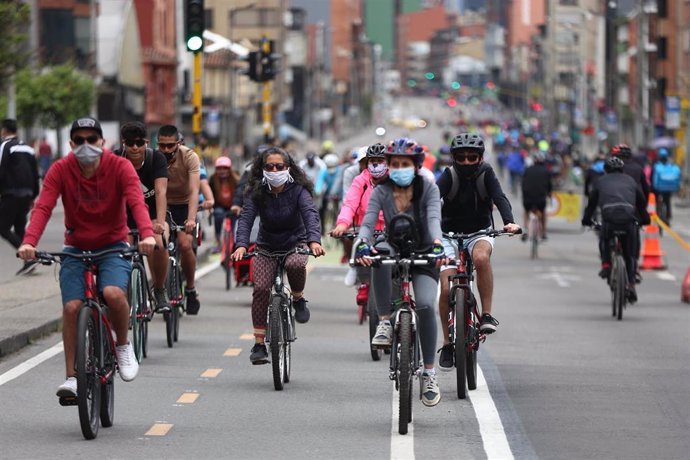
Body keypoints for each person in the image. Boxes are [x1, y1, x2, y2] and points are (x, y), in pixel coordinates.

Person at [16, 116, 156, 397]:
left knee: (114, 294)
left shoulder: (120, 166)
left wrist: (148, 234)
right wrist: (29, 243)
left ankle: (123, 346)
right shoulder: (60, 169)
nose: (85, 145)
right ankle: (72, 377)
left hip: (113, 247)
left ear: (102, 142)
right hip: (76, 248)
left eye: (91, 139)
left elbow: (136, 201)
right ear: (70, 144)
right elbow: (43, 207)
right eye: (79, 141)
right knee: (71, 308)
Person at [356, 137, 449, 407]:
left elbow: (433, 219)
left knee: (425, 305)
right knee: (378, 255)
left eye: (404, 164)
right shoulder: (381, 191)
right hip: (392, 247)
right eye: (394, 163)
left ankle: (429, 374)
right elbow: (369, 221)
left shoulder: (429, 189)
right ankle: (384, 320)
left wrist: (437, 243)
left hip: (423, 251)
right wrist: (363, 242)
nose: (398, 168)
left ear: (416, 165)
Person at [231, 146, 325, 365]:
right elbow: (246, 218)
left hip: (295, 241)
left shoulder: (298, 190)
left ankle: (299, 299)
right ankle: (258, 343)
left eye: (279, 166)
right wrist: (241, 245)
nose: (274, 170)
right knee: (262, 288)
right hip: (266, 245)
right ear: (262, 169)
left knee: (294, 265)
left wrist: (314, 241)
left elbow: (310, 214)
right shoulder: (257, 190)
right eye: (269, 167)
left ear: (288, 168)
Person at [435, 133, 521, 371]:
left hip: (480, 232)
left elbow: (499, 197)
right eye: (460, 158)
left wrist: (509, 221)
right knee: (445, 288)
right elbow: (431, 200)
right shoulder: (448, 175)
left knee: (481, 258)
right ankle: (448, 343)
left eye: (472, 157)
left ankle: (486, 315)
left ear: (480, 157)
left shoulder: (487, 173)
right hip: (448, 235)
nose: (466, 162)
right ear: (453, 158)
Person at [116, 121, 170, 311]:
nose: (135, 148)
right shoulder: (116, 158)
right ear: (124, 144)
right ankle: (123, 294)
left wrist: (161, 223)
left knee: (159, 243)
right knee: (120, 249)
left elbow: (161, 192)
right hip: (124, 215)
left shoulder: (157, 159)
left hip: (153, 214)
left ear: (146, 142)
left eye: (139, 143)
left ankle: (160, 289)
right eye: (130, 143)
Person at [581, 156, 650, 303]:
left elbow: (591, 204)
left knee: (604, 239)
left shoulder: (600, 182)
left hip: (609, 219)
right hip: (628, 220)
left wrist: (586, 220)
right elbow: (642, 202)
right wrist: (645, 220)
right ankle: (631, 284)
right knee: (630, 254)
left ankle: (606, 265)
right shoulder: (631, 181)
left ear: (606, 170)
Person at [157, 125, 202, 314]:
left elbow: (194, 191)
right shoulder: (154, 158)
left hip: (185, 205)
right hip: (163, 205)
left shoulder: (190, 157)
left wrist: (191, 219)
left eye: (170, 146)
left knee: (185, 244)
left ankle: (190, 288)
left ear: (178, 143)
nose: (166, 150)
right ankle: (160, 287)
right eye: (162, 146)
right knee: (161, 242)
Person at [331, 143, 388, 283]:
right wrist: (342, 225)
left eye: (380, 161)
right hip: (366, 230)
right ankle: (363, 281)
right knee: (360, 249)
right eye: (372, 161)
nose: (376, 164)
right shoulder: (360, 180)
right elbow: (350, 204)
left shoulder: (395, 180)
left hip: (390, 232)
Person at [0, 119, 40, 275]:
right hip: (27, 194)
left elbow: (1, 170)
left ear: (4, 130)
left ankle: (30, 257)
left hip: (11, 194)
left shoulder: (5, 146)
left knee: (2, 228)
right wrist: (33, 195)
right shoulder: (28, 149)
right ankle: (28, 261)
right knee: (19, 228)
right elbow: (35, 174)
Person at [209, 156, 240, 252]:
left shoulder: (236, 179)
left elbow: (241, 193)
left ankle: (235, 243)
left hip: (233, 206)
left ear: (229, 169)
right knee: (218, 215)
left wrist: (239, 206)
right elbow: (209, 195)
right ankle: (218, 241)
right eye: (219, 168)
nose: (222, 171)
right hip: (219, 207)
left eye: (225, 168)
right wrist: (210, 207)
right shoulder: (213, 180)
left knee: (235, 224)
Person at [521, 151, 552, 241]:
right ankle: (543, 232)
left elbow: (523, 184)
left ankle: (525, 229)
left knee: (526, 212)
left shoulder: (527, 169)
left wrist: (524, 195)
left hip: (528, 199)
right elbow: (549, 186)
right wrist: (549, 194)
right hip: (540, 199)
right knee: (543, 213)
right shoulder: (546, 171)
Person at [651, 147, 681, 226]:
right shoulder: (670, 165)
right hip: (669, 188)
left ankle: (658, 215)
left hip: (658, 188)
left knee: (658, 201)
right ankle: (668, 217)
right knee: (667, 202)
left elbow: (652, 177)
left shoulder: (656, 165)